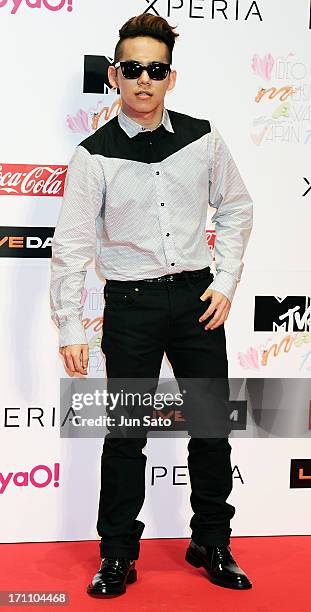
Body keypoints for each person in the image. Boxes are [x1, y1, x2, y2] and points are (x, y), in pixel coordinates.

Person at [50, 13, 253, 598]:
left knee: (213, 430)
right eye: (133, 68)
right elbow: (71, 246)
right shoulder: (93, 155)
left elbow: (237, 207)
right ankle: (117, 554)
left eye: (155, 69)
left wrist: (227, 281)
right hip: (131, 305)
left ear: (170, 77)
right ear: (116, 75)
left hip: (196, 302)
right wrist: (70, 325)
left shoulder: (204, 138)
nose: (144, 79)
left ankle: (212, 541)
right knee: (126, 434)